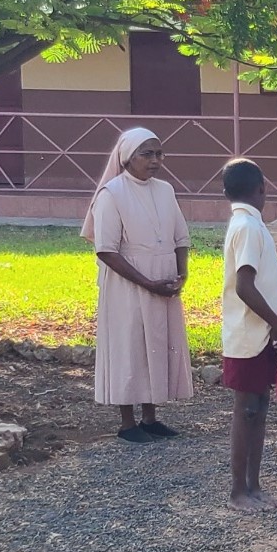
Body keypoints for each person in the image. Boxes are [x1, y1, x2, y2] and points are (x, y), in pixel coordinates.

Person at [82, 128, 192, 443]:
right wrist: (146, 283)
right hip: (127, 284)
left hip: (163, 279)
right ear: (128, 157)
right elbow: (106, 249)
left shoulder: (165, 190)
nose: (155, 160)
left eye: (159, 153)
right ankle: (127, 422)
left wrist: (181, 274)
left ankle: (151, 416)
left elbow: (181, 237)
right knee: (129, 345)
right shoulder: (111, 193)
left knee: (155, 343)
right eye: (147, 154)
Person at [219, 158, 277, 512]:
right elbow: (245, 286)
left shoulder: (250, 224)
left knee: (258, 408)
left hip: (259, 335)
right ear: (262, 188)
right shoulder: (246, 226)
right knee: (246, 409)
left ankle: (253, 484)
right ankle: (237, 492)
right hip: (249, 335)